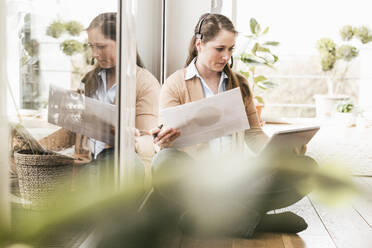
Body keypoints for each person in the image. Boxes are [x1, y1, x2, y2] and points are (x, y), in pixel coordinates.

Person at [151, 13, 317, 238]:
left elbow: (254, 135)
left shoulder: (239, 84)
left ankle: (212, 219)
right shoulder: (174, 84)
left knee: (307, 168)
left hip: (237, 179)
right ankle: (256, 221)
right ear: (199, 44)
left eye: (231, 50)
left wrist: (280, 151)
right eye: (220, 49)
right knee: (163, 162)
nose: (226, 57)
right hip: (198, 182)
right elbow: (166, 141)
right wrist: (163, 143)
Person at [40, 12, 160, 184]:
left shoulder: (145, 83)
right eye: (91, 46)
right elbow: (73, 129)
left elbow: (148, 141)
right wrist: (38, 146)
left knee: (108, 158)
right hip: (87, 169)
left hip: (122, 173)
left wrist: (129, 139)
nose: (94, 53)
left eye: (101, 47)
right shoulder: (89, 80)